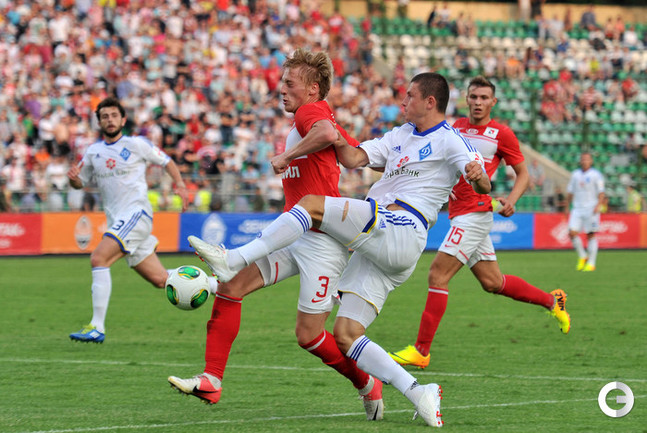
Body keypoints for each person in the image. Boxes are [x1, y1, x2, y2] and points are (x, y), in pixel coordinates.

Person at [187, 72, 492, 427]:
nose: (403, 101)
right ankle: (419, 391)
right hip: (380, 246)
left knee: (312, 204)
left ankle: (233, 259)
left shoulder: (450, 139)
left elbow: (483, 183)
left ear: (430, 101)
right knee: (346, 335)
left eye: (410, 95)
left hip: (401, 227)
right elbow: (353, 158)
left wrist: (478, 176)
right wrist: (333, 130)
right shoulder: (399, 135)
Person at [168, 49, 385, 421]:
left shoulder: (309, 113)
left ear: (313, 89)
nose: (281, 89)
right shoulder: (316, 115)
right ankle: (211, 379)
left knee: (309, 336)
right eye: (282, 82)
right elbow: (347, 152)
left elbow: (327, 133)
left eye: (289, 83)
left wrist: (288, 156)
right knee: (231, 288)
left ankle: (367, 382)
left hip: (322, 242)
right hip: (294, 232)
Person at [387, 76, 571, 370]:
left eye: (484, 98)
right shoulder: (454, 127)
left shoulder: (502, 134)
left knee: (437, 275)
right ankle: (553, 302)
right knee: (493, 282)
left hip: (475, 214)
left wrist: (512, 200)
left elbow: (523, 174)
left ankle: (421, 351)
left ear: (493, 102)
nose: (478, 102)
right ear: (466, 99)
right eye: (473, 97)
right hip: (459, 212)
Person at [67, 97, 201, 343]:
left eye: (114, 115)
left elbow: (167, 161)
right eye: (105, 117)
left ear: (123, 120)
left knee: (98, 258)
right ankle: (216, 283)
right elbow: (79, 183)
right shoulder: (94, 152)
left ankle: (97, 327)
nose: (110, 120)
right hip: (119, 221)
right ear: (99, 122)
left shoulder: (137, 144)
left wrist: (180, 185)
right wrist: (73, 178)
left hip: (136, 215)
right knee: (161, 280)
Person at [566, 152, 605, 272]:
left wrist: (598, 205)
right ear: (580, 161)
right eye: (583, 159)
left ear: (591, 161)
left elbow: (601, 192)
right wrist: (567, 206)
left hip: (591, 208)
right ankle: (583, 256)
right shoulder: (575, 174)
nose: (584, 161)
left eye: (587, 159)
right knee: (572, 233)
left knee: (590, 234)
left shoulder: (596, 175)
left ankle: (591, 263)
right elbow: (570, 191)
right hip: (577, 208)